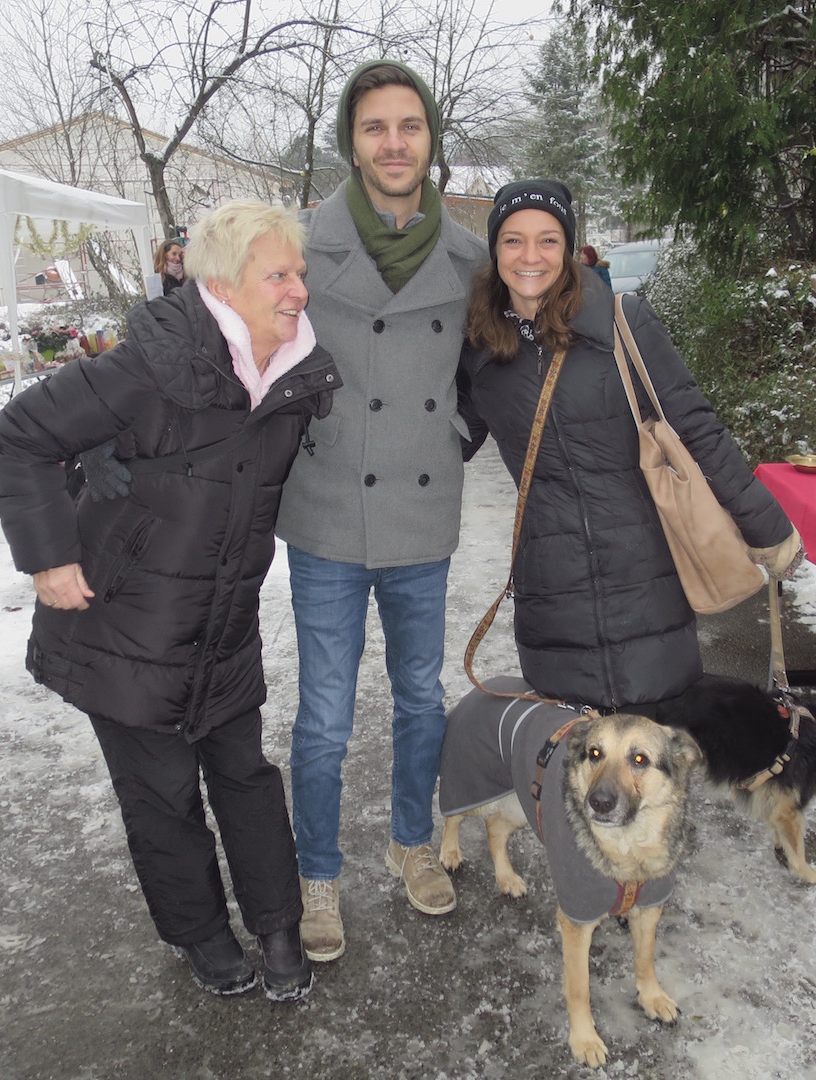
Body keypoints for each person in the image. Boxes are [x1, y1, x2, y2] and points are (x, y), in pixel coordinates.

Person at [0, 201, 341, 1003]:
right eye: (278, 275)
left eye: (300, 273)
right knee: (162, 794)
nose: (298, 290)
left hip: (222, 624)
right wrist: (49, 557)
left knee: (246, 776)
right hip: (125, 625)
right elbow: (22, 436)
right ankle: (200, 933)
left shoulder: (298, 375)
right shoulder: (153, 362)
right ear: (222, 283)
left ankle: (277, 924)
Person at [275, 59, 487, 962]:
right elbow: (242, 347)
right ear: (351, 142)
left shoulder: (471, 256)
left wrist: (456, 433)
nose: (394, 143)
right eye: (375, 127)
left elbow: (495, 364)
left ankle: (410, 842)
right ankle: (317, 874)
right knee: (324, 716)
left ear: (430, 138)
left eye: (409, 125)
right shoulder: (298, 246)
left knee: (420, 699)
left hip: (421, 511)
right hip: (326, 507)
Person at [460, 180, 802, 709]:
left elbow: (696, 427)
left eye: (548, 240)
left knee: (655, 734)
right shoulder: (479, 348)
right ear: (494, 251)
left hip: (646, 575)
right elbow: (449, 441)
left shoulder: (622, 323)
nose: (530, 256)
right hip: (551, 588)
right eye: (513, 240)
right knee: (573, 744)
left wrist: (768, 530)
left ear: (568, 248)